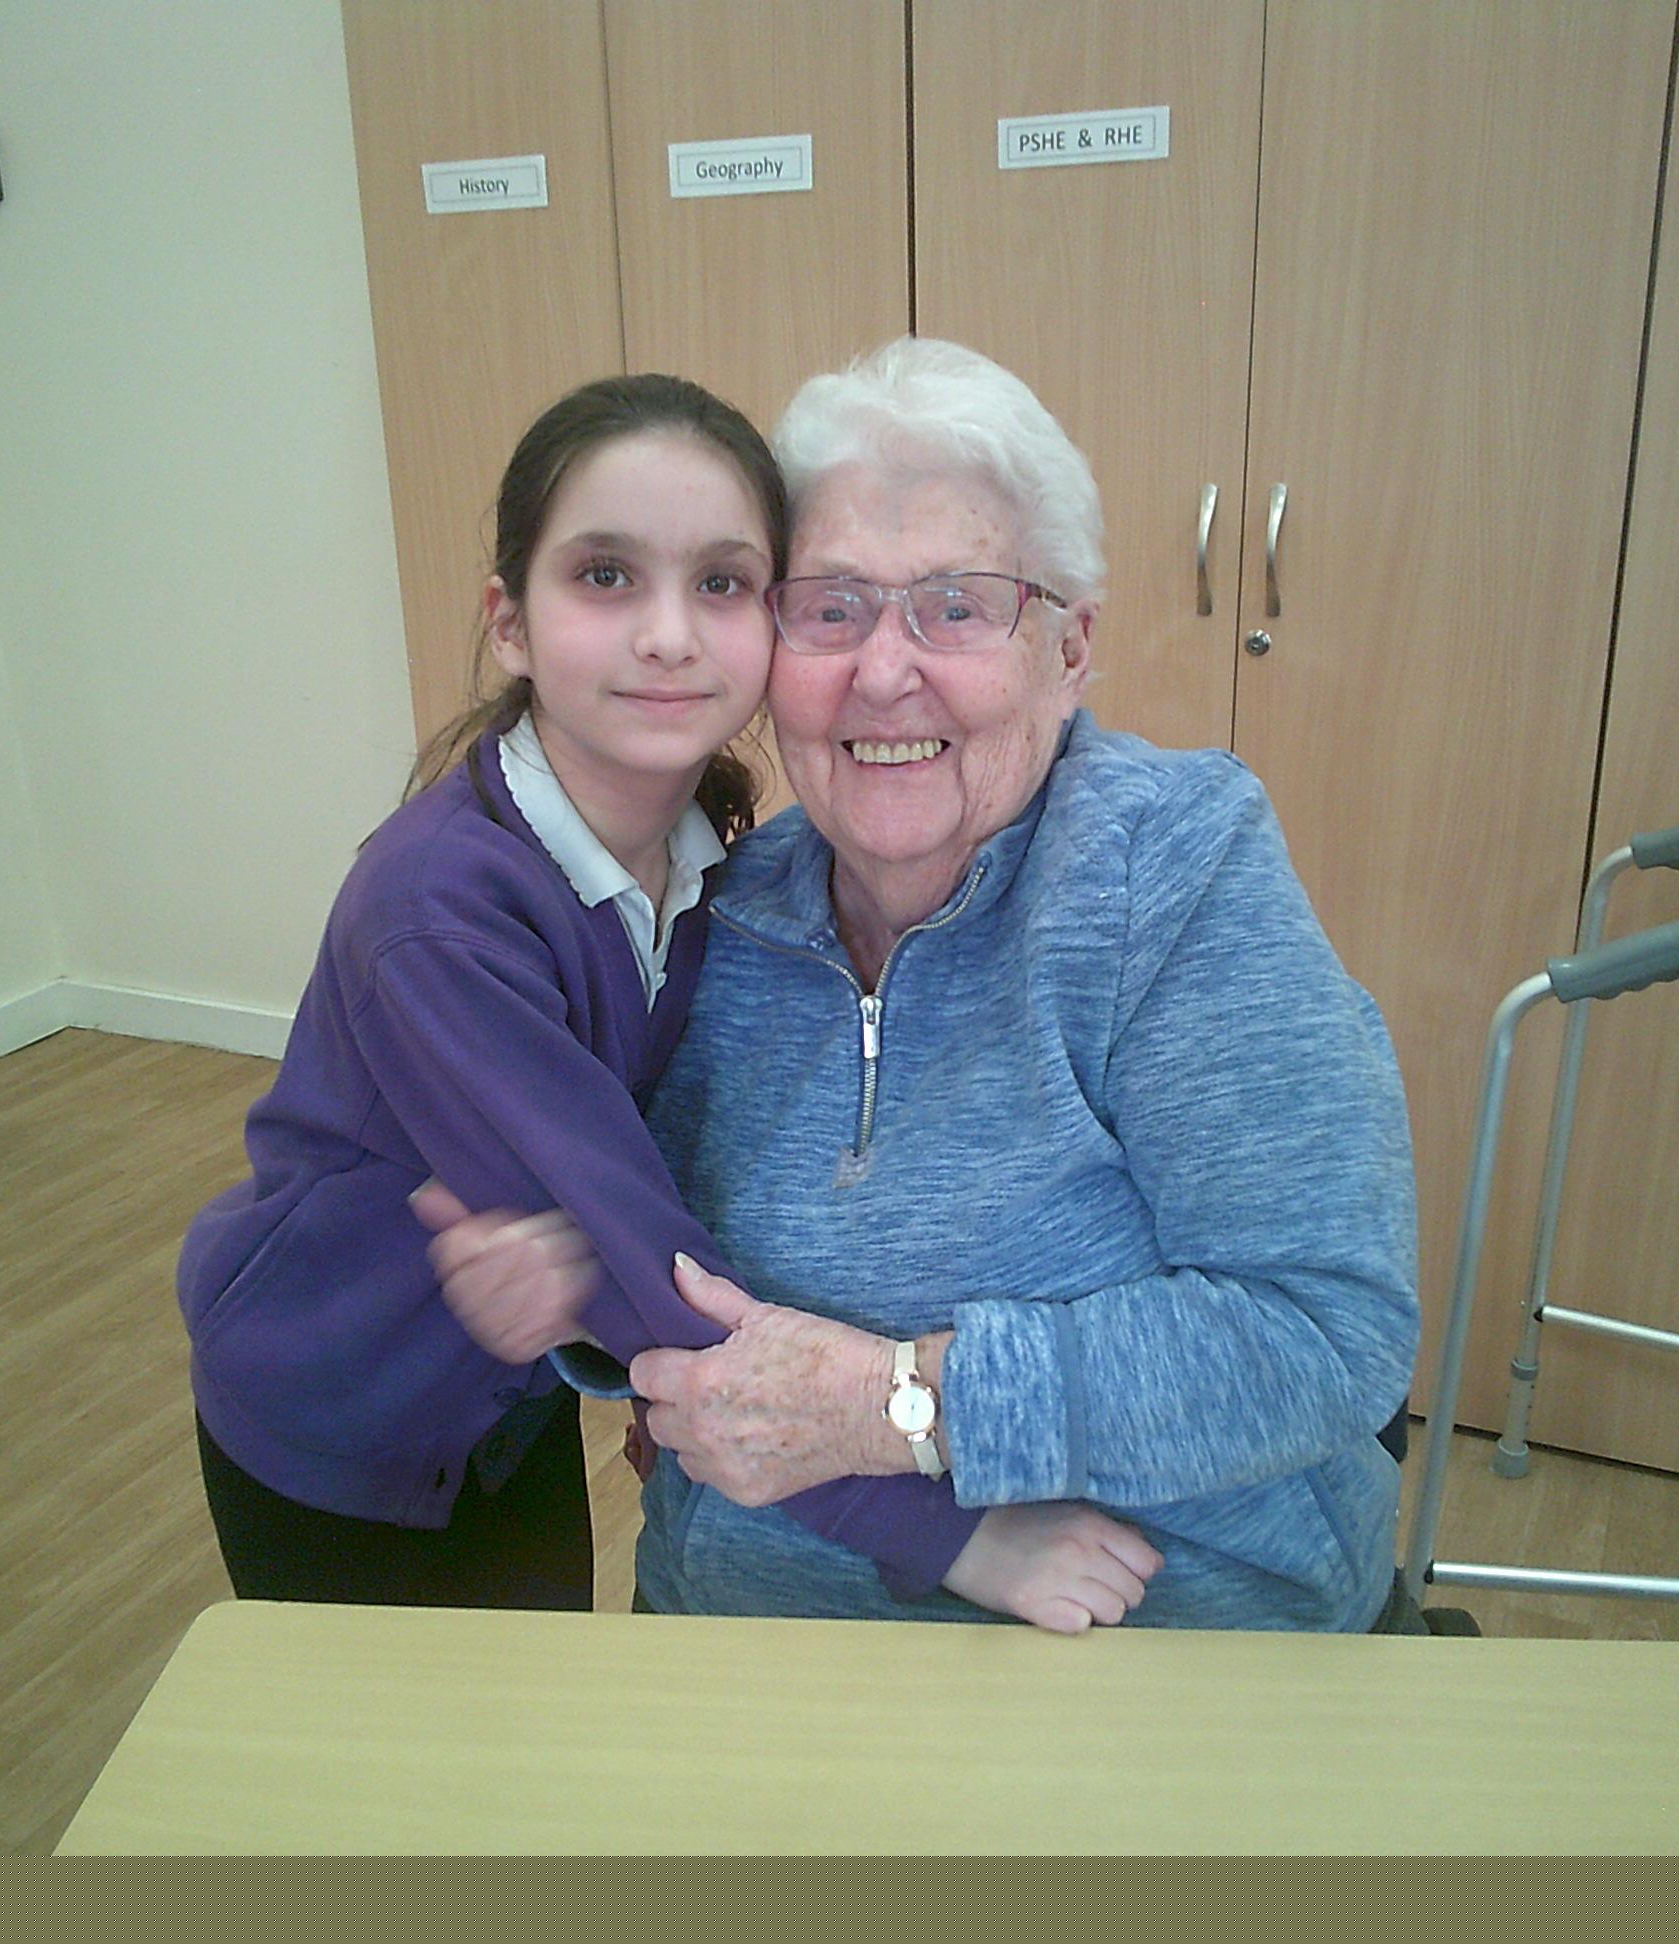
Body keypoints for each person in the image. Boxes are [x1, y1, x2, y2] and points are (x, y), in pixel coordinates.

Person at [426, 338, 1420, 1630]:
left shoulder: (1172, 871)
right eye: (830, 608)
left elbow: (1325, 1333)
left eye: (958, 607)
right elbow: (646, 1263)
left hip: (1151, 1658)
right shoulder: (717, 906)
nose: (884, 671)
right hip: (741, 1638)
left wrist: (900, 1406)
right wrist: (571, 1292)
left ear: (1070, 647)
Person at [176, 370, 1158, 1624]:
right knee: (408, 1752)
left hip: (508, 1400)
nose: (668, 635)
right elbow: (636, 1249)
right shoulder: (437, 915)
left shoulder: (714, 859)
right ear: (509, 623)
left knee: (539, 1707)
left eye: (722, 584)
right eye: (605, 576)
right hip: (342, 1417)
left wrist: (627, 1370)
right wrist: (951, 1538)